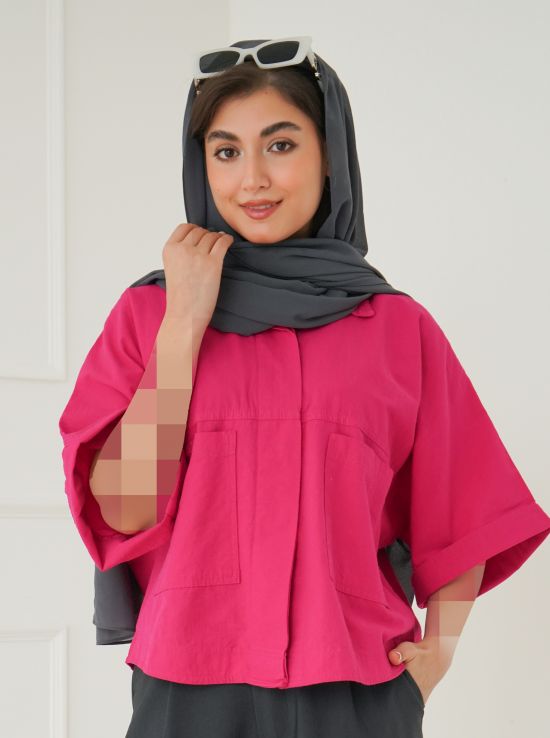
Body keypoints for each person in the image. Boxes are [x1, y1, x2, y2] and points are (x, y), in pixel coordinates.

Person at [58, 37, 550, 738]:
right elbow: (126, 510)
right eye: (226, 151)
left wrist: (435, 658)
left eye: (280, 145)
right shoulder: (149, 315)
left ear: (329, 156)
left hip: (354, 690)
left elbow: (466, 508)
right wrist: (184, 325)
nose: (252, 178)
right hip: (188, 690)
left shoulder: (397, 329)